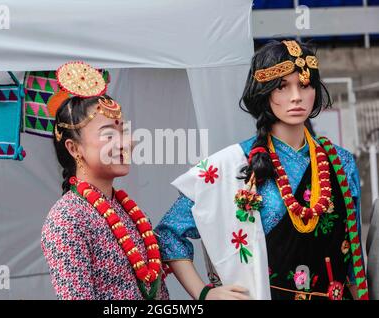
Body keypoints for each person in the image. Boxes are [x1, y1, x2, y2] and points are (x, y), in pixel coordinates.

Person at [155, 40, 369, 300]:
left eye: (304, 85)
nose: (296, 97)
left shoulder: (341, 162)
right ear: (264, 92)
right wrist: (204, 294)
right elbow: (169, 233)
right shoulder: (232, 165)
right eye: (282, 86)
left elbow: (354, 260)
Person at [41, 61, 169, 300]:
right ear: (74, 148)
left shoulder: (127, 211)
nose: (126, 143)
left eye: (124, 132)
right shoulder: (67, 220)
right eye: (109, 134)